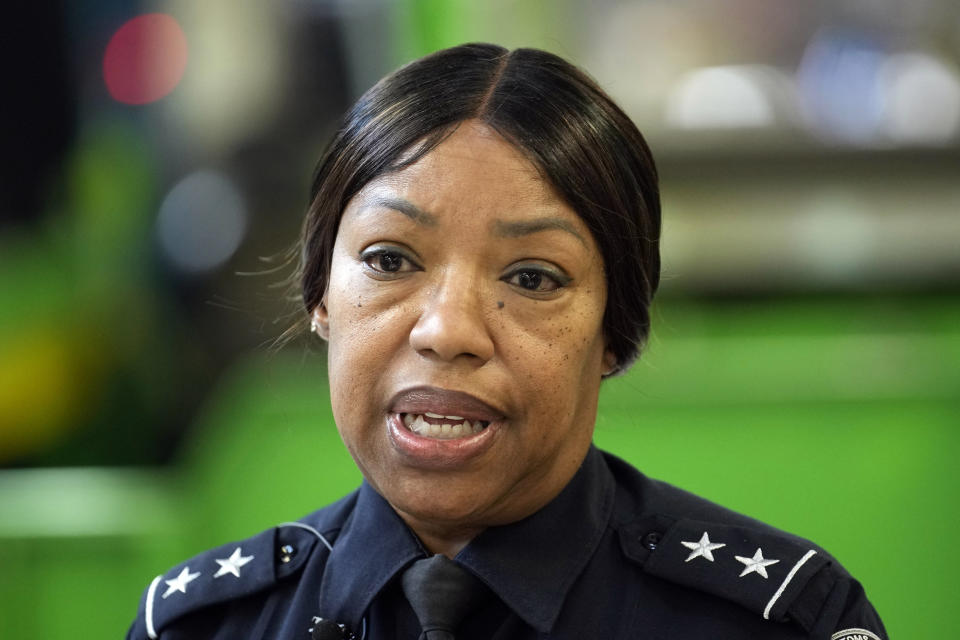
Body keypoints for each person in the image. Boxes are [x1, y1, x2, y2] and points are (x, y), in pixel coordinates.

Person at [126, 43, 887, 640]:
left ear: (615, 333)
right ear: (322, 298)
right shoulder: (203, 625)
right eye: (390, 261)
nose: (447, 331)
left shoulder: (778, 622)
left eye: (532, 277)